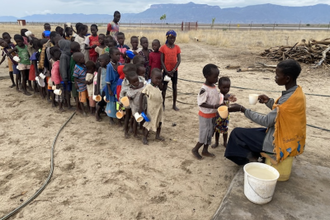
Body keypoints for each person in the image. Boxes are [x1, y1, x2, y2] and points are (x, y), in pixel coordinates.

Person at [225, 59, 306, 165]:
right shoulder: (297, 92)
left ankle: (250, 160)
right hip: (289, 136)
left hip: (279, 141)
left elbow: (267, 121)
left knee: (237, 133)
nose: (275, 78)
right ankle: (257, 155)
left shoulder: (288, 100)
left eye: (277, 75)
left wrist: (243, 110)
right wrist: (269, 101)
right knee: (255, 132)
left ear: (287, 78)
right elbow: (282, 112)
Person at [191, 64, 222, 160]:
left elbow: (216, 97)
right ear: (207, 77)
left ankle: (205, 150)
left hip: (213, 115)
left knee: (210, 134)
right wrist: (213, 106)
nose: (217, 79)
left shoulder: (213, 86)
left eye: (217, 76)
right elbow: (201, 103)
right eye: (215, 77)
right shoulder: (204, 90)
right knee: (203, 134)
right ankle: (195, 149)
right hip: (205, 116)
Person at [139, 68, 164, 145]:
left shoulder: (158, 87)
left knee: (160, 122)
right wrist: (141, 107)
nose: (158, 81)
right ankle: (145, 137)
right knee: (149, 123)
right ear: (151, 77)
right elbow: (141, 95)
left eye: (160, 79)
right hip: (151, 109)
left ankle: (157, 135)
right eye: (157, 78)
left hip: (159, 108)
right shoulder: (148, 87)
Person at [212, 77, 237, 148]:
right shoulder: (218, 95)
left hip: (226, 116)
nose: (226, 89)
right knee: (217, 130)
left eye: (228, 87)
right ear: (219, 87)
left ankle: (225, 142)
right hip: (218, 116)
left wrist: (233, 99)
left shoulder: (228, 95)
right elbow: (220, 100)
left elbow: (229, 98)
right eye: (224, 87)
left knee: (225, 130)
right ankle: (216, 142)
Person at [160, 30, 181, 111]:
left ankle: (174, 105)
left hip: (174, 71)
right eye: (170, 38)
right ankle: (163, 104)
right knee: (164, 88)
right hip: (166, 71)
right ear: (167, 38)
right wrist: (167, 71)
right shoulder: (163, 48)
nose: (172, 40)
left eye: (174, 38)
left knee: (174, 87)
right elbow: (162, 61)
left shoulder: (177, 48)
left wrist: (173, 70)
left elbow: (179, 60)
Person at [126, 71, 146, 137]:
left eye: (137, 80)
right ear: (130, 83)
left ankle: (143, 131)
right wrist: (129, 97)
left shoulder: (142, 84)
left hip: (143, 105)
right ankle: (135, 133)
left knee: (143, 118)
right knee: (135, 120)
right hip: (135, 107)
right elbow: (129, 97)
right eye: (134, 82)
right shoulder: (131, 89)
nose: (136, 82)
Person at [104, 47, 121, 124]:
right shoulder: (109, 66)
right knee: (111, 102)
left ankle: (118, 116)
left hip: (118, 87)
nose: (118, 56)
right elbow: (107, 80)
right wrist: (109, 90)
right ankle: (111, 117)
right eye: (116, 54)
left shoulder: (119, 64)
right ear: (111, 55)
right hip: (111, 87)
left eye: (119, 54)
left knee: (118, 102)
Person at [95, 53, 110, 121]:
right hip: (102, 88)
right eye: (99, 61)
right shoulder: (100, 69)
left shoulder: (110, 68)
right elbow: (98, 79)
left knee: (107, 101)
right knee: (101, 102)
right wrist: (97, 89)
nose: (100, 63)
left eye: (101, 61)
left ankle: (106, 112)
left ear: (107, 61)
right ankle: (97, 113)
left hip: (108, 88)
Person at [58, 39, 72, 109]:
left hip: (68, 77)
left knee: (68, 92)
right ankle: (65, 105)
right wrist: (65, 78)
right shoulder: (64, 56)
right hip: (65, 78)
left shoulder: (68, 54)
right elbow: (63, 68)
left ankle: (68, 104)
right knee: (65, 92)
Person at [69, 42, 81, 112]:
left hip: (74, 77)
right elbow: (74, 69)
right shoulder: (75, 57)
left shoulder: (72, 56)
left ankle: (78, 105)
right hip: (75, 78)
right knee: (76, 93)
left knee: (76, 93)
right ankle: (77, 107)